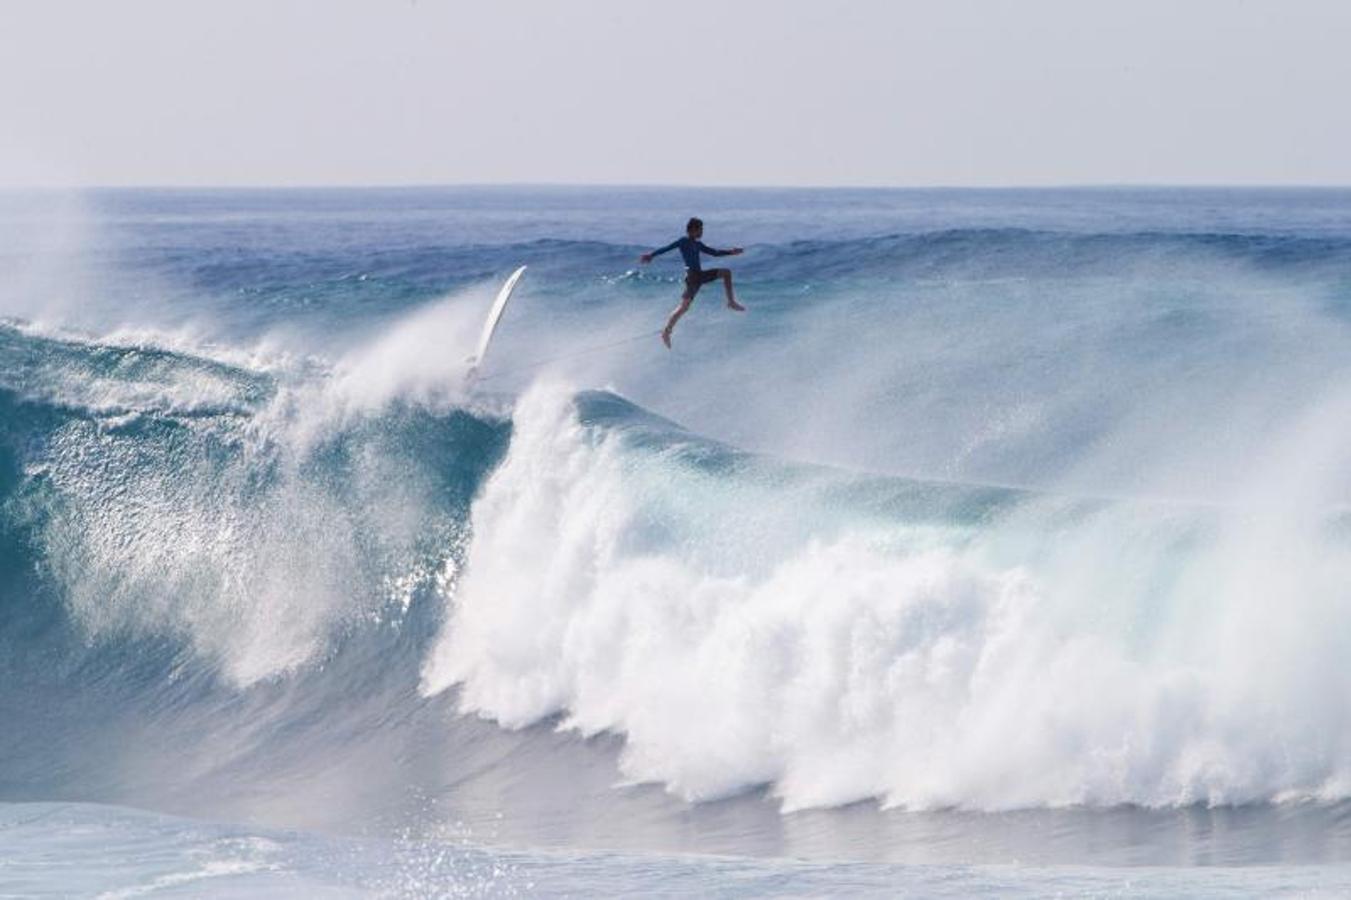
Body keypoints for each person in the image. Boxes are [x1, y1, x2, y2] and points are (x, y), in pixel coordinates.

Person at [640, 217, 745, 347]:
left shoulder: (698, 244)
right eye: (700, 229)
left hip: (698, 276)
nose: (702, 232)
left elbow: (714, 253)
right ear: (692, 230)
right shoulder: (683, 241)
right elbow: (667, 248)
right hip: (693, 277)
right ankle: (731, 302)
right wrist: (651, 255)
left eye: (702, 229)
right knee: (685, 306)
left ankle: (666, 332)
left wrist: (731, 252)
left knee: (684, 307)